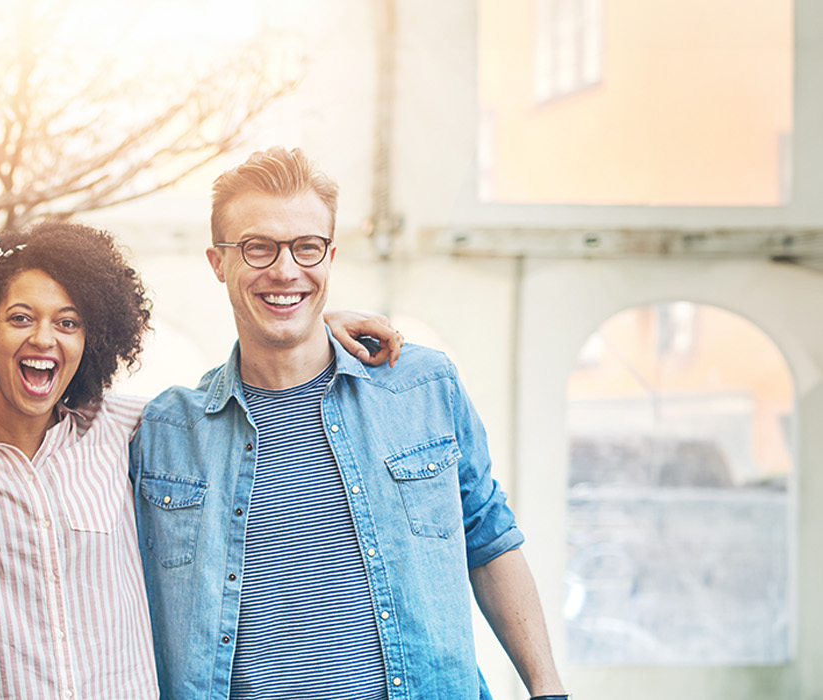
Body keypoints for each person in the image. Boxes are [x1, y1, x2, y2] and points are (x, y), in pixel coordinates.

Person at [0, 221, 402, 700]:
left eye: (69, 321)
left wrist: (311, 332)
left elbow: (237, 399)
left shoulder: (130, 430)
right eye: (21, 317)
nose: (44, 339)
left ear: (94, 337)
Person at [131, 146, 567, 699]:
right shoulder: (166, 434)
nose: (285, 269)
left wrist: (547, 688)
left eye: (306, 247)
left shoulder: (422, 389)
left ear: (330, 256)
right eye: (258, 248)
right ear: (218, 263)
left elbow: (490, 538)